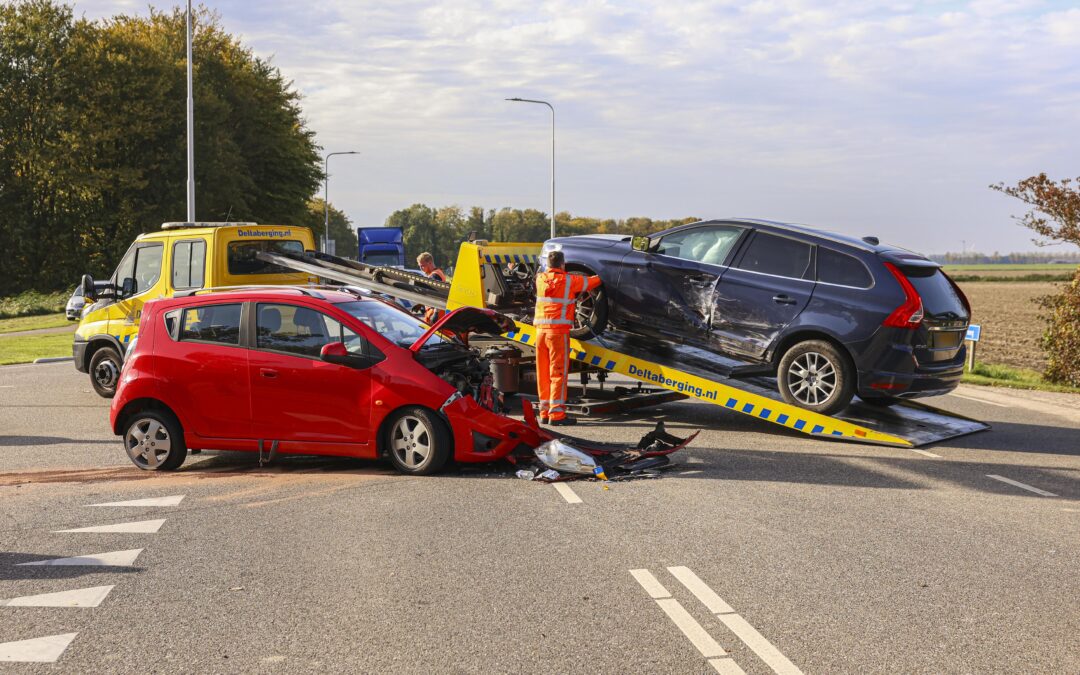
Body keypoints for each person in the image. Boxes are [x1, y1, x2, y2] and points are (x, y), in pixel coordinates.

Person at [534, 250, 601, 425]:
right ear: (563, 265)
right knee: (557, 373)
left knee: (543, 373)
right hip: (557, 333)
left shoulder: (540, 279)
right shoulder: (569, 280)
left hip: (540, 332)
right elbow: (593, 281)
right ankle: (557, 415)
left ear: (548, 265)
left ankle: (544, 413)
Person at [416, 252, 447, 323]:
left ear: (430, 263)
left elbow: (438, 295)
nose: (421, 268)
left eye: (422, 266)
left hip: (434, 312)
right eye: (420, 266)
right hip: (435, 311)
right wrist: (421, 304)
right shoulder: (438, 272)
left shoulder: (434, 276)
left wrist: (436, 313)